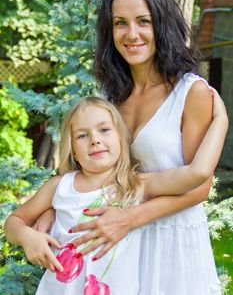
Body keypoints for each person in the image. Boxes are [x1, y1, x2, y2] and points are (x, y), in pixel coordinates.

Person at [62, 0, 228, 295]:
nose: (132, 34)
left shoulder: (190, 93)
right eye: (120, 23)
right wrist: (49, 210)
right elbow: (88, 173)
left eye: (143, 21)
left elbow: (200, 187)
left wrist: (132, 217)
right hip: (120, 240)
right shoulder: (109, 97)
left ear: (161, 25)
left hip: (174, 239)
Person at [4, 94, 227, 295]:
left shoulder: (135, 185)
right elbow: (14, 222)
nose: (95, 139)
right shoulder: (59, 187)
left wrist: (221, 122)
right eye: (82, 135)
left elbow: (197, 173)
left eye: (104, 130)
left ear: (121, 137)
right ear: (72, 149)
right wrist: (26, 236)